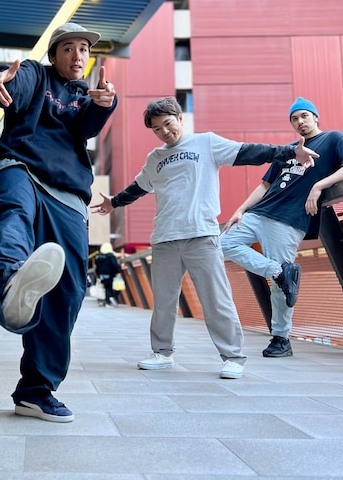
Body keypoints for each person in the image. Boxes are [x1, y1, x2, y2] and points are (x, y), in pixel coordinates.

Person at [91, 97, 318, 379]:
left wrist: (287, 152)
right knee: (164, 301)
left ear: (180, 118)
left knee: (216, 298)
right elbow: (138, 187)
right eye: (157, 129)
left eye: (168, 124)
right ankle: (162, 353)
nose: (164, 131)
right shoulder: (155, 159)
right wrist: (114, 202)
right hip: (164, 238)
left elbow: (248, 152)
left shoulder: (206, 143)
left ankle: (233, 356)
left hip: (201, 235)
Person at [0, 22, 117, 423]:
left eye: (84, 51)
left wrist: (105, 104)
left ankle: (36, 392)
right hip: (19, 167)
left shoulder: (86, 96)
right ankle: (8, 285)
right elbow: (9, 86)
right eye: (69, 49)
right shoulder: (34, 75)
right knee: (14, 217)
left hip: (69, 195)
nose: (78, 56)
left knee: (70, 289)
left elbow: (85, 128)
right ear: (54, 54)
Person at [220, 97, 343, 358]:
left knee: (280, 287)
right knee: (222, 243)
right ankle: (277, 271)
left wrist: (318, 185)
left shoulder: (333, 139)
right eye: (294, 119)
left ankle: (281, 339)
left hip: (288, 220)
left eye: (304, 116)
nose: (300, 122)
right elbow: (265, 185)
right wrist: (240, 209)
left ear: (315, 117)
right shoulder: (289, 149)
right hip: (259, 212)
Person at [95, 243, 122, 307]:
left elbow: (97, 268)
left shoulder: (98, 257)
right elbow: (114, 265)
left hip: (102, 275)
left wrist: (98, 276)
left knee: (106, 287)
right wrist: (118, 272)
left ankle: (107, 301)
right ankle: (111, 299)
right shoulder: (111, 256)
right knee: (113, 287)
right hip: (110, 274)